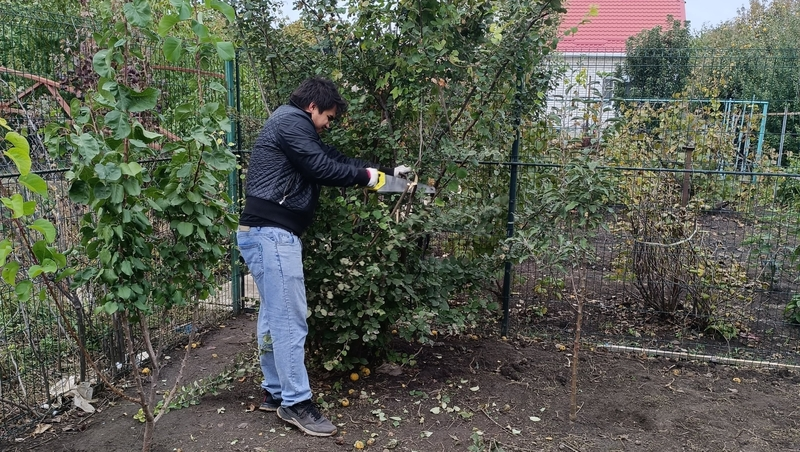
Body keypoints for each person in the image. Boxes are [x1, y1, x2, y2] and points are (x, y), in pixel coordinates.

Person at [236, 76, 410, 437]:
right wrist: (367, 178)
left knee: (273, 316)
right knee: (289, 320)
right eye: (328, 117)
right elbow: (323, 168)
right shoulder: (289, 121)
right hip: (272, 233)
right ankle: (297, 403)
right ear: (312, 107)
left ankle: (276, 392)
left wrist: (390, 177)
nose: (329, 124)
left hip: (266, 232)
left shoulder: (297, 129)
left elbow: (335, 159)